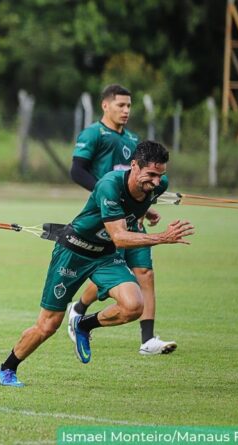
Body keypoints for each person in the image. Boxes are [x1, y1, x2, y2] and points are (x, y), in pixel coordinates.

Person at [0, 141, 193, 387]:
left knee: (134, 306)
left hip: (105, 256)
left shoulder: (158, 186)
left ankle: (84, 324)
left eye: (160, 175)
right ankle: (7, 368)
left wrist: (145, 212)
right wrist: (162, 237)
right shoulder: (109, 185)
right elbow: (120, 236)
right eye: (150, 174)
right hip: (73, 253)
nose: (156, 181)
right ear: (134, 166)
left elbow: (137, 205)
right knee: (48, 325)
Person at [69, 84, 177, 356]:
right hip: (106, 219)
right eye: (121, 105)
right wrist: (111, 199)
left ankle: (148, 340)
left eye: (129, 106)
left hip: (133, 218)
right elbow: (77, 171)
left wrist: (143, 206)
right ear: (105, 105)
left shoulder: (134, 140)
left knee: (145, 274)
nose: (126, 110)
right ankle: (79, 309)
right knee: (110, 270)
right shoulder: (94, 134)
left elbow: (142, 183)